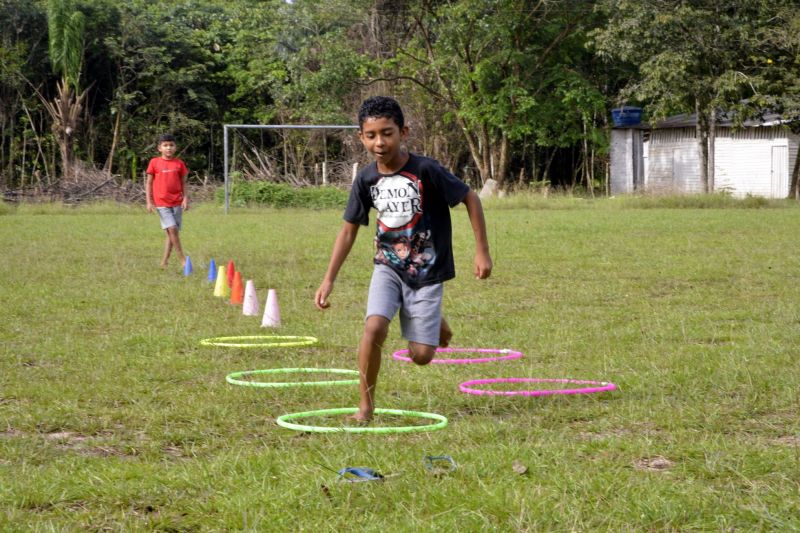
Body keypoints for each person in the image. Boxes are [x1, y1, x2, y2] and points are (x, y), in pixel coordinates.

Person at [314, 96, 493, 421]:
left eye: (387, 133)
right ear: (361, 137)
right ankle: (366, 407)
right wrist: (329, 279)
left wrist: (482, 250)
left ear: (403, 132)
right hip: (388, 266)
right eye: (371, 135)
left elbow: (469, 197)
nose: (379, 142)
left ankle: (433, 321)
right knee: (374, 327)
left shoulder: (426, 170)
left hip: (427, 269)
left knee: (421, 356)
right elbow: (348, 231)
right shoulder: (366, 179)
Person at [145, 133, 189, 269]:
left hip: (177, 202)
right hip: (161, 203)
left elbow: (183, 183)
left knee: (171, 234)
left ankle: (164, 262)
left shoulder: (179, 164)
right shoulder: (154, 162)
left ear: (175, 148)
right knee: (172, 228)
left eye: (171, 145)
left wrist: (185, 198)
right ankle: (183, 259)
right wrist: (149, 201)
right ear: (160, 148)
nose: (168, 148)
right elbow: (149, 183)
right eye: (165, 145)